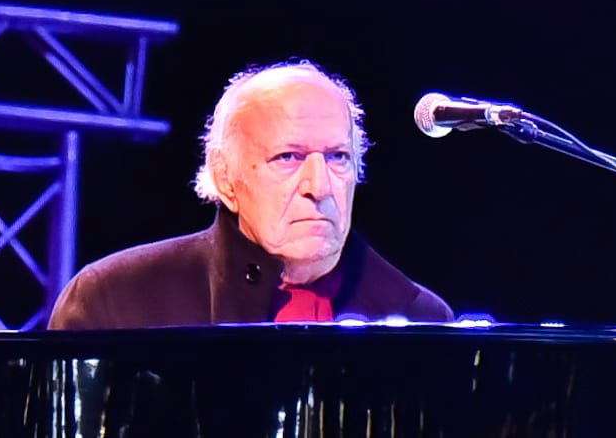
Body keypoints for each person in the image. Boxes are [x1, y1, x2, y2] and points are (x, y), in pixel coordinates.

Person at [48, 60, 452, 329]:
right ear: (225, 178)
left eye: (338, 157)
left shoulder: (423, 320)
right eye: (288, 157)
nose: (319, 186)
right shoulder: (115, 300)